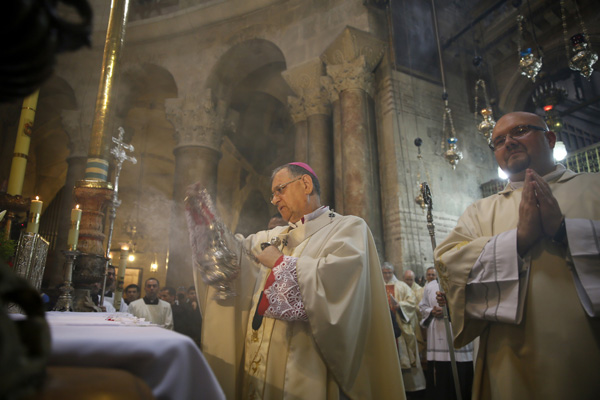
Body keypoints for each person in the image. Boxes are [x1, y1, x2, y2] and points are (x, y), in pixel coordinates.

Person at [187, 162, 404, 399]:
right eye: (272, 194)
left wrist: (281, 264)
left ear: (306, 184)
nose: (274, 199)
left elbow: (340, 289)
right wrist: (208, 227)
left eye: (280, 189)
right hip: (259, 363)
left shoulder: (348, 227)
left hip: (305, 369)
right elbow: (233, 257)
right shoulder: (273, 236)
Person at [434, 111, 600, 399]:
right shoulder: (479, 211)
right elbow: (449, 265)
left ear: (550, 138)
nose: (508, 142)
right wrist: (518, 240)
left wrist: (563, 231)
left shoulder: (594, 186)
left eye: (520, 131)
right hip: (508, 358)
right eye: (498, 141)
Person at [419, 279, 473, 400]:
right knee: (440, 376)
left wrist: (449, 310)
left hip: (457, 332)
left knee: (460, 376)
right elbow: (423, 306)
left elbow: (471, 305)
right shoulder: (430, 286)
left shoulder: (463, 281)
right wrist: (431, 311)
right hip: (438, 336)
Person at [381, 262, 426, 395]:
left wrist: (400, 306)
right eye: (384, 272)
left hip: (400, 326)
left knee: (405, 355)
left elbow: (412, 302)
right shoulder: (376, 286)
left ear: (393, 272)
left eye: (389, 272)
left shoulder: (402, 286)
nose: (387, 275)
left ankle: (411, 388)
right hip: (384, 327)